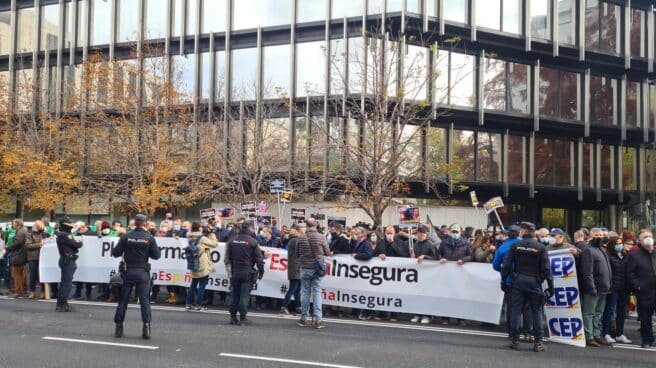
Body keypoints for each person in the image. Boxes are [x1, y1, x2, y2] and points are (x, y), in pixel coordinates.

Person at [501, 222, 553, 352]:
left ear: (523, 232)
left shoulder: (515, 245)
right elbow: (547, 269)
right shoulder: (540, 247)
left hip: (518, 281)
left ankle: (515, 341)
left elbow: (506, 265)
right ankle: (538, 343)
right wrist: (551, 287)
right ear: (534, 232)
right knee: (536, 311)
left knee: (516, 311)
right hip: (535, 282)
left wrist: (503, 281)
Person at [112, 214, 161, 339]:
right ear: (145, 224)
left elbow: (116, 253)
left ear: (134, 223)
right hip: (142, 273)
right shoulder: (149, 238)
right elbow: (156, 256)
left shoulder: (126, 237)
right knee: (144, 301)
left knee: (123, 301)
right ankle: (146, 326)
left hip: (127, 272)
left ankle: (119, 326)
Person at [225, 221, 264, 326]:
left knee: (235, 295)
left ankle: (233, 317)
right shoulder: (253, 242)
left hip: (235, 271)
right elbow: (259, 259)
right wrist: (261, 272)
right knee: (244, 296)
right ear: (250, 229)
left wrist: (230, 272)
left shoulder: (232, 241)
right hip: (247, 271)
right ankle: (243, 318)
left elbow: (227, 258)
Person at [580, 229, 613, 347]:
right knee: (589, 313)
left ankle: (597, 334)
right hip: (593, 289)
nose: (600, 237)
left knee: (599, 313)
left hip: (604, 288)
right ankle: (589, 336)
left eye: (602, 235)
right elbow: (587, 272)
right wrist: (591, 287)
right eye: (597, 235)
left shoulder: (601, 249)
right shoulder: (588, 250)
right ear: (591, 236)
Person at [297, 218, 331, 329]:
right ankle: (318, 319)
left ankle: (303, 318)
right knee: (317, 292)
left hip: (304, 267)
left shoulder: (301, 237)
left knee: (305, 292)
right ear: (316, 225)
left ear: (306, 226)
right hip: (317, 268)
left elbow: (297, 253)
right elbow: (327, 252)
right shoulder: (321, 237)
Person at [437, 223, 472, 326]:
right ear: (450, 232)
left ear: (460, 232)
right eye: (453, 232)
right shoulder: (444, 242)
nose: (455, 233)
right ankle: (445, 318)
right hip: (447, 274)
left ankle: (460, 318)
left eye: (457, 232)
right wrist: (441, 258)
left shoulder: (466, 244)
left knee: (460, 296)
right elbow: (438, 253)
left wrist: (463, 260)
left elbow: (471, 256)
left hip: (460, 274)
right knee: (446, 296)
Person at [626, 229, 656, 348]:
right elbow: (630, 273)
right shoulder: (634, 255)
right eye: (645, 237)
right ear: (639, 240)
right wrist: (638, 286)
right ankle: (646, 339)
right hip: (644, 292)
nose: (648, 238)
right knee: (645, 318)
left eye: (650, 236)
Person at [600, 236, 631, 344]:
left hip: (624, 288)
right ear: (612, 245)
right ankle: (606, 333)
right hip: (613, 288)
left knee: (621, 312)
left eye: (621, 243)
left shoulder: (625, 255)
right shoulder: (609, 256)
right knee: (609, 311)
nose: (619, 245)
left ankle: (619, 333)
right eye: (617, 243)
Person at [186, 222, 218, 311]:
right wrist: (212, 234)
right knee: (202, 285)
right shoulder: (202, 238)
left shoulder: (189, 236)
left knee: (193, 284)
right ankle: (198, 304)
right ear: (199, 228)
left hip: (193, 262)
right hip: (202, 263)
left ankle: (189, 304)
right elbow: (215, 244)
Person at [55, 217, 83, 312]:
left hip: (67, 259)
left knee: (65, 283)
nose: (72, 225)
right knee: (67, 283)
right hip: (68, 260)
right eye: (70, 223)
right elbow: (77, 245)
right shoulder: (64, 235)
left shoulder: (64, 234)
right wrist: (79, 242)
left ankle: (61, 303)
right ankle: (63, 304)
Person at [281, 224, 303, 316]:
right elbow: (302, 252)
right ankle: (284, 307)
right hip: (296, 267)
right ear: (299, 231)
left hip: (297, 267)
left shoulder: (293, 240)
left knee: (297, 289)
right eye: (303, 229)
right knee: (293, 289)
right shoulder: (296, 240)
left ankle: (298, 308)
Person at [26, 220, 47, 300]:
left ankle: (43, 292)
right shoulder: (30, 234)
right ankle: (32, 292)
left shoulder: (44, 234)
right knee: (33, 276)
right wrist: (39, 245)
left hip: (42, 258)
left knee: (42, 276)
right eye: (39, 228)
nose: (41, 229)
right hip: (32, 258)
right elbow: (28, 246)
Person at [8, 219, 29, 299]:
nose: (12, 225)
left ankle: (18, 291)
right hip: (23, 255)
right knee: (22, 274)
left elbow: (17, 243)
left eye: (13, 223)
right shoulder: (24, 231)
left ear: (17, 224)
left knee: (16, 274)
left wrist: (9, 248)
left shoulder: (20, 232)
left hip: (19, 255)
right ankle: (22, 290)